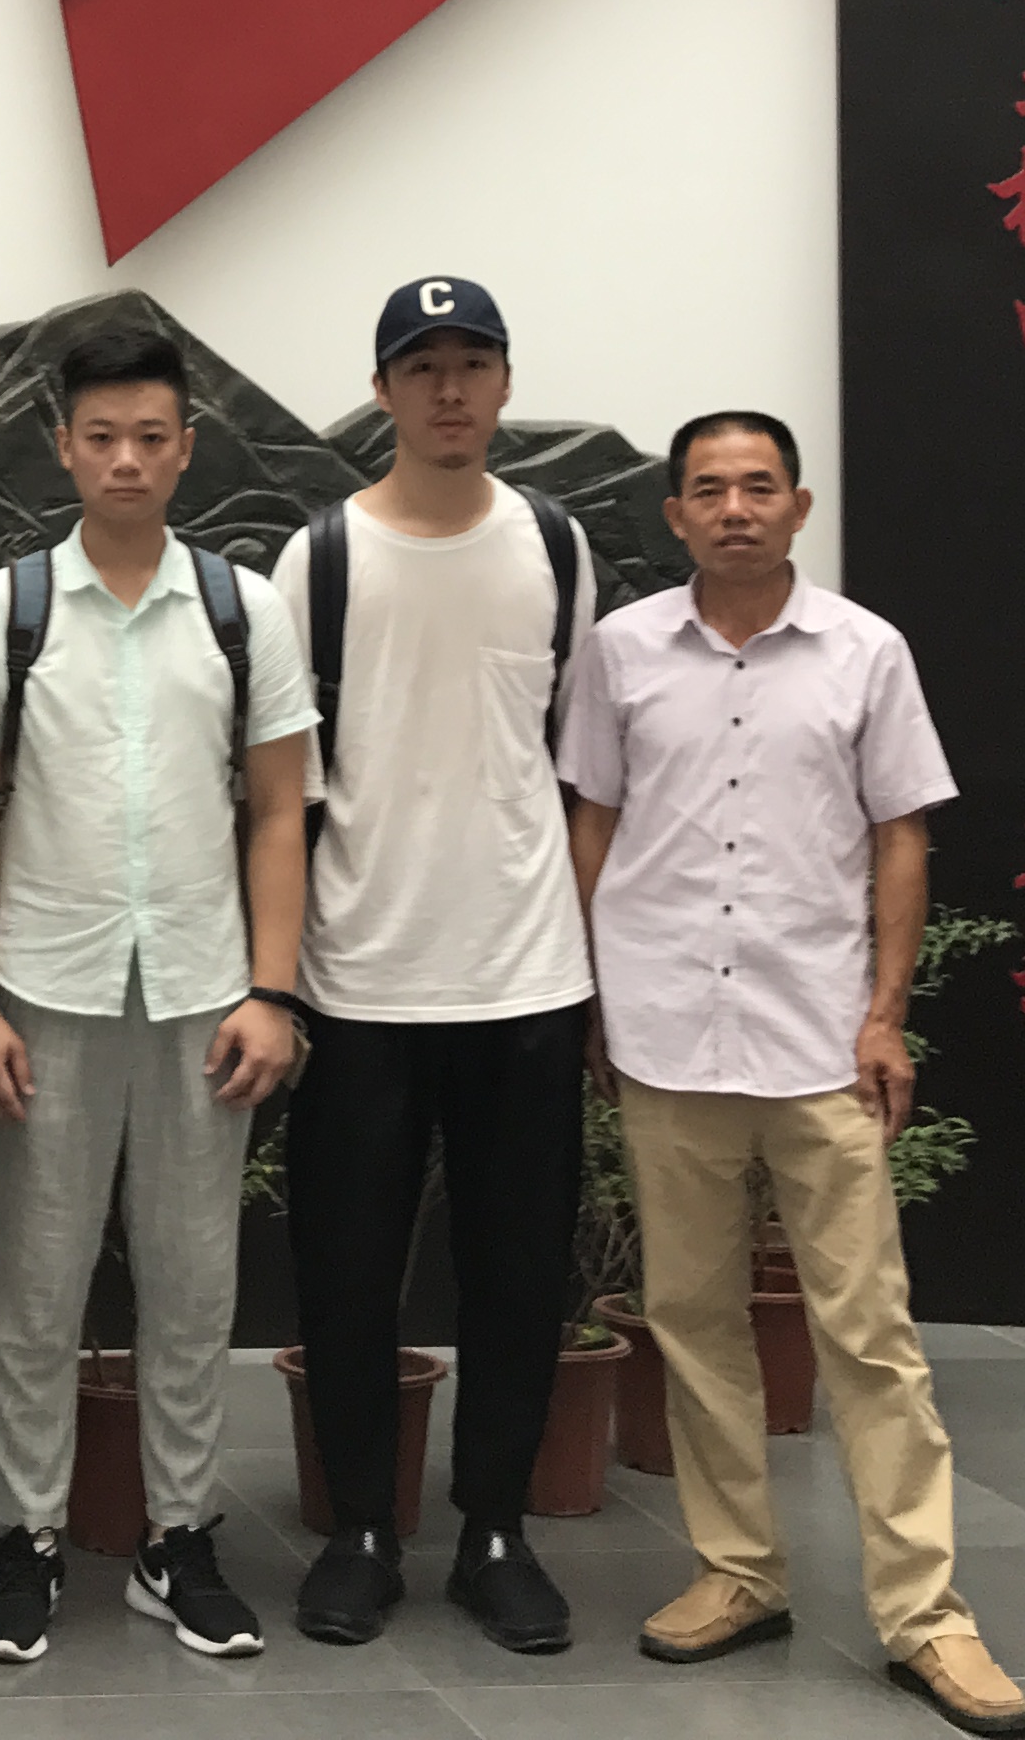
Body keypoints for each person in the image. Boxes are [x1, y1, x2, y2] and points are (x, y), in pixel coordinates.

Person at [564, 413, 1025, 1736]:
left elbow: (902, 838)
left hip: (820, 1037)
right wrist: (594, 994)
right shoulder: (620, 651)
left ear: (799, 506)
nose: (735, 508)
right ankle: (739, 1572)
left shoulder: (865, 651)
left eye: (758, 486)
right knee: (693, 1320)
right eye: (708, 489)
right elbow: (594, 820)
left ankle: (926, 1616)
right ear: (674, 515)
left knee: (868, 1332)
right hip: (666, 1031)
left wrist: (885, 1015)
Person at [0, 324, 312, 1667]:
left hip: (207, 991)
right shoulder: (9, 609)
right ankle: (26, 1539)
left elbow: (281, 809)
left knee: (193, 1281)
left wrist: (273, 990)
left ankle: (179, 1537)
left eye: (151, 437)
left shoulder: (242, 608)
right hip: (48, 985)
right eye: (101, 437)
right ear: (63, 445)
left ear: (187, 447)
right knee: (38, 1282)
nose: (127, 461)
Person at [278, 276, 597, 1655]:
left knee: (518, 1271)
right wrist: (276, 977)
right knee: (346, 1272)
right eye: (423, 366)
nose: (449, 389)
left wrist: (583, 951)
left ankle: (495, 1532)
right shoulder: (321, 559)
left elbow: (580, 765)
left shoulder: (558, 547)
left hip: (524, 975)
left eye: (473, 363)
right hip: (360, 975)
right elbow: (280, 786)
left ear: (505, 383)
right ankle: (359, 1527)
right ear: (384, 391)